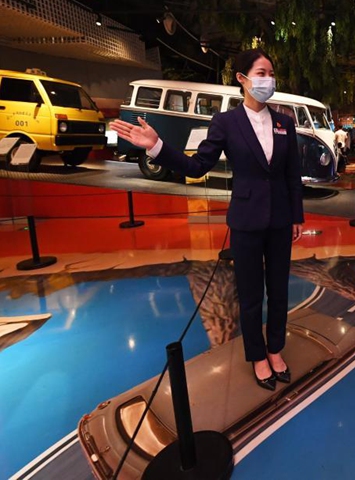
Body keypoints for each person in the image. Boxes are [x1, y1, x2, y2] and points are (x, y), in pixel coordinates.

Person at [110, 49, 304, 391]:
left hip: (280, 221)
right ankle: (258, 356)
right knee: (250, 295)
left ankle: (275, 349)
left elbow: (292, 174)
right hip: (245, 221)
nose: (268, 80)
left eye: (271, 73)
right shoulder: (226, 123)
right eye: (261, 73)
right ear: (242, 79)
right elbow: (198, 166)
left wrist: (296, 216)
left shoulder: (284, 123)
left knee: (278, 291)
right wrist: (157, 147)